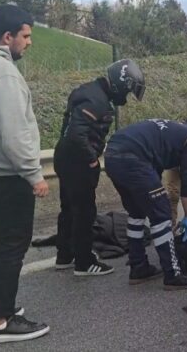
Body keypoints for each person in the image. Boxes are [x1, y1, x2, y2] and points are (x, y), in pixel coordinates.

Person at [0, 5, 50, 344]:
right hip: (7, 177)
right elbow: (14, 133)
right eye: (26, 36)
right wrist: (34, 174)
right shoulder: (4, 74)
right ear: (7, 37)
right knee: (12, 246)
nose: (29, 42)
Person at [54, 59, 145, 276]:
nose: (126, 97)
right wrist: (91, 159)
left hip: (64, 157)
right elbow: (77, 134)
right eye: (128, 91)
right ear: (121, 84)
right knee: (85, 212)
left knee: (69, 209)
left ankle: (64, 255)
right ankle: (84, 263)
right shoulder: (97, 101)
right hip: (78, 162)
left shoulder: (90, 91)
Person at [103, 113, 187, 290]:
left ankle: (138, 267)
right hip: (132, 158)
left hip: (112, 156)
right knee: (162, 213)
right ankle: (173, 274)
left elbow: (156, 166)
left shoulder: (173, 131)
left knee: (136, 213)